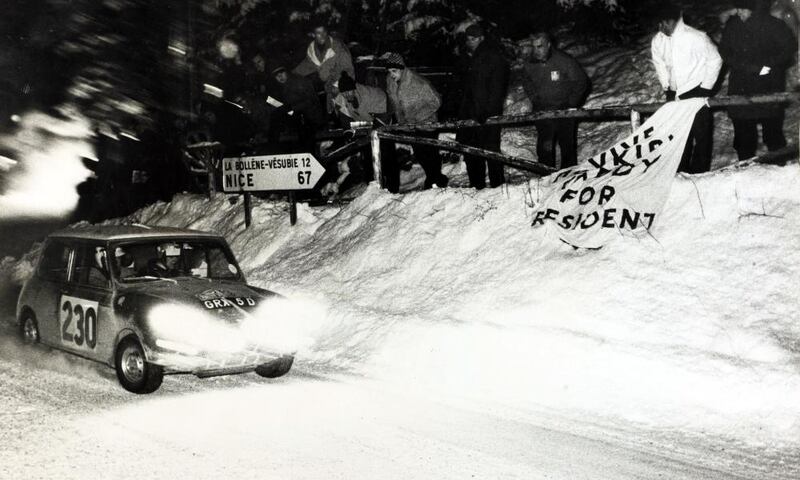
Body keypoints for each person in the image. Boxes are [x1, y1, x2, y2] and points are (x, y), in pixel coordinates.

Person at [719, 0, 797, 160]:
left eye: (743, 9)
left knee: (773, 133)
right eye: (738, 9)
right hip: (741, 86)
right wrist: (747, 66)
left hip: (768, 85)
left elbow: (789, 48)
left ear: (754, 10)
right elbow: (724, 50)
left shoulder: (774, 25)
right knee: (744, 136)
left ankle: (779, 168)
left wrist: (770, 65)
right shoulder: (733, 26)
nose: (739, 13)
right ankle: (745, 168)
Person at [651, 3, 723, 173]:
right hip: (675, 94)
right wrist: (666, 87)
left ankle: (700, 173)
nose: (660, 28)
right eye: (658, 24)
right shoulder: (658, 40)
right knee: (679, 136)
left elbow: (715, 59)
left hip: (696, 91)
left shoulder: (696, 37)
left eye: (663, 24)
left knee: (701, 135)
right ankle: (681, 173)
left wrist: (706, 87)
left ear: (672, 21)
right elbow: (659, 64)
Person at [521, 31, 589, 169]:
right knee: (545, 148)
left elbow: (581, 82)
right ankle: (546, 179)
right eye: (534, 47)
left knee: (567, 147)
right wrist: (535, 98)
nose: (536, 50)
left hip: (564, 111)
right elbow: (526, 81)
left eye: (540, 46)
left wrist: (571, 103)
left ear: (548, 45)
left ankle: (568, 179)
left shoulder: (564, 61)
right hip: (543, 110)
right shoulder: (530, 63)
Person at [382, 52, 448, 189]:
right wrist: (400, 120)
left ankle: (435, 181)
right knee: (419, 153)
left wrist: (418, 117)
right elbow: (395, 104)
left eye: (394, 71)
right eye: (389, 71)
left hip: (426, 124)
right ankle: (436, 179)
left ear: (402, 68)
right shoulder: (391, 82)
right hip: (409, 126)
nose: (391, 74)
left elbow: (436, 101)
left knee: (429, 153)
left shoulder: (418, 83)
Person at [457, 24, 510, 189]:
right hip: (470, 113)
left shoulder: (492, 57)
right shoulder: (467, 58)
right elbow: (464, 88)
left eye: (473, 39)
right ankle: (477, 186)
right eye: (468, 39)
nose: (469, 42)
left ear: (481, 38)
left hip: (486, 114)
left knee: (490, 150)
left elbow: (497, 88)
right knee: (472, 152)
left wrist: (488, 111)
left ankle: (497, 186)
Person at [333, 72, 401, 193]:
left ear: (355, 89)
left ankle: (393, 189)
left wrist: (375, 130)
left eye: (350, 91)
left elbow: (385, 113)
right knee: (368, 158)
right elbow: (344, 116)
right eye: (344, 92)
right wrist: (348, 130)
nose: (347, 95)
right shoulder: (341, 98)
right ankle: (374, 188)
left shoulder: (372, 95)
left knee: (387, 156)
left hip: (384, 122)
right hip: (366, 126)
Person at [293, 22, 355, 114]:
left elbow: (348, 68)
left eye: (324, 32)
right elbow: (307, 65)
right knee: (334, 113)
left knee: (349, 112)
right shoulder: (312, 50)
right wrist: (292, 73)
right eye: (318, 33)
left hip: (344, 85)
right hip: (329, 87)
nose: (322, 36)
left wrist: (337, 85)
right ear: (313, 35)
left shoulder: (337, 47)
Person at [272, 65, 326, 153]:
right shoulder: (284, 86)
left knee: (304, 144)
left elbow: (311, 101)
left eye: (281, 73)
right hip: (300, 120)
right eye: (276, 76)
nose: (280, 77)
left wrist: (292, 109)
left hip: (312, 118)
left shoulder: (298, 81)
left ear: (287, 72)